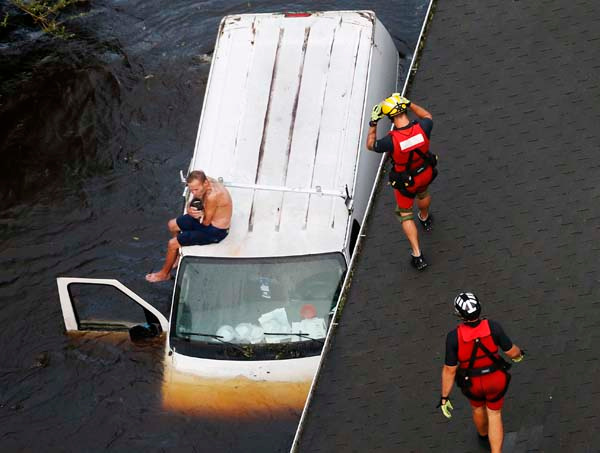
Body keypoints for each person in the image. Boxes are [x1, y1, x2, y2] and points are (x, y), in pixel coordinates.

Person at [438, 292, 525, 453]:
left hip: (472, 383)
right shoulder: (493, 327)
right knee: (494, 414)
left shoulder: (453, 337)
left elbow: (449, 370)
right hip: (495, 380)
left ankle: (483, 434)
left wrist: (444, 397)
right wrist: (520, 355)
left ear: (459, 314)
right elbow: (512, 352)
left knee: (478, 408)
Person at [366, 94, 437, 270]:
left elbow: (371, 145)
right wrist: (410, 103)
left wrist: (373, 123)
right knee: (424, 193)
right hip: (425, 173)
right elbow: (427, 115)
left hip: (406, 182)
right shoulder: (423, 127)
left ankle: (417, 254)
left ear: (390, 117)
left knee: (405, 214)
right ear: (404, 109)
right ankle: (425, 218)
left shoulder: (391, 141)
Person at [145, 170, 232, 282]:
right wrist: (189, 208)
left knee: (172, 244)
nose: (194, 193)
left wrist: (192, 213)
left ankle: (163, 274)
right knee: (172, 225)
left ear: (205, 184)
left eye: (196, 190)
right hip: (205, 220)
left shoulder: (212, 196)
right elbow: (194, 200)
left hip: (215, 230)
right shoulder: (205, 180)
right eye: (191, 190)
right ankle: (175, 256)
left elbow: (205, 222)